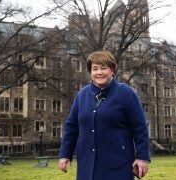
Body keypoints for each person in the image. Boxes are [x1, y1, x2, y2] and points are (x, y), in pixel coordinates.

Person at [58, 50, 151, 180]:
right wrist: (65, 154)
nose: (99, 72)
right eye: (94, 69)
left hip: (118, 164)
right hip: (86, 166)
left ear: (112, 70)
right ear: (90, 72)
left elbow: (140, 127)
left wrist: (142, 157)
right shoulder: (82, 95)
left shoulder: (126, 93)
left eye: (103, 68)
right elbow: (71, 127)